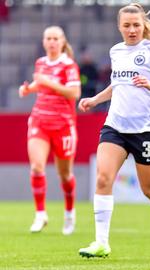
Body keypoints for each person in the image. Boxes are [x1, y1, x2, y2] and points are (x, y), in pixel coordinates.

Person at [77, 3, 150, 259]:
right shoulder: (116, 51)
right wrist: (95, 99)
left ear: (143, 25)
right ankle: (101, 242)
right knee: (103, 178)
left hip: (147, 130)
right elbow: (118, 84)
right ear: (119, 27)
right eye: (127, 25)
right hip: (116, 126)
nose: (132, 29)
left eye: (136, 25)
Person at [18, 26, 81, 235]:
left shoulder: (69, 65)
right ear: (44, 42)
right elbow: (41, 84)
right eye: (48, 38)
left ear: (62, 42)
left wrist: (49, 83)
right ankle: (40, 213)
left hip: (63, 126)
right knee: (37, 167)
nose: (52, 42)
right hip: (40, 121)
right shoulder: (41, 63)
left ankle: (70, 212)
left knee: (65, 174)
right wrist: (29, 88)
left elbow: (74, 93)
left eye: (56, 38)